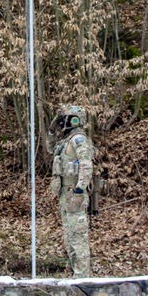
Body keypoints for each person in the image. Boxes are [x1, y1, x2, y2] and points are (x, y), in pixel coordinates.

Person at [45, 104, 93, 278]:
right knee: (69, 236)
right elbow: (50, 148)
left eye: (65, 118)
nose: (62, 122)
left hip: (74, 192)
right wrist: (52, 128)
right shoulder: (66, 141)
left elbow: (86, 166)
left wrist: (79, 190)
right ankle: (76, 274)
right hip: (65, 193)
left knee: (78, 237)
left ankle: (82, 277)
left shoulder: (79, 139)